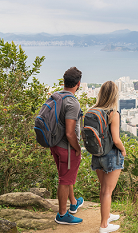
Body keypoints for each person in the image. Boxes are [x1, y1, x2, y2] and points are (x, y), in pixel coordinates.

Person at [90, 81, 126, 233]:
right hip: (111, 155)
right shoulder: (113, 113)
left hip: (96, 154)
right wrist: (123, 150)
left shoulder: (92, 110)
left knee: (103, 189)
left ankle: (107, 216)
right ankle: (104, 225)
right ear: (114, 96)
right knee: (107, 191)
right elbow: (116, 139)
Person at [51, 67, 84, 225]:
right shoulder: (72, 103)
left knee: (66, 176)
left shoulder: (56, 96)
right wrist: (77, 148)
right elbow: (70, 133)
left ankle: (73, 202)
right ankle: (62, 215)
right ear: (78, 84)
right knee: (65, 180)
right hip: (67, 148)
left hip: (55, 144)